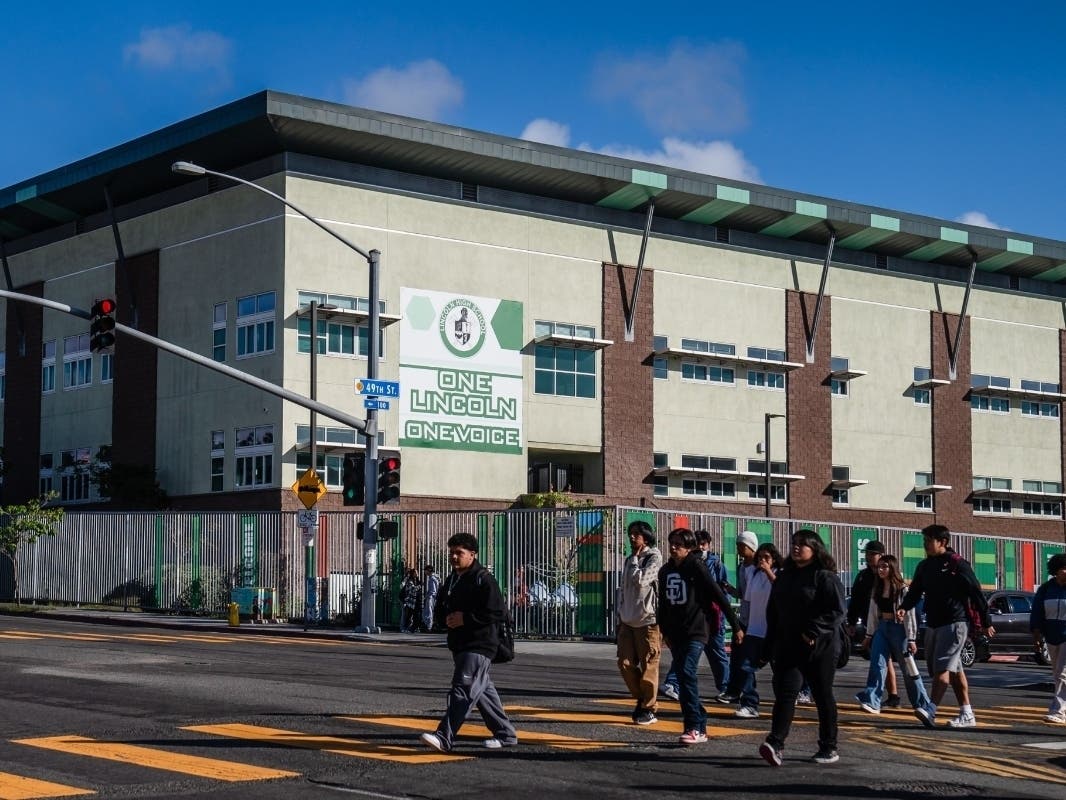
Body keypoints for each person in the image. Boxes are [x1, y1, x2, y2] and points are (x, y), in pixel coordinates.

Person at [421, 533, 517, 752]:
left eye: (459, 553)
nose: (454, 557)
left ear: (472, 555)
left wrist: (465, 618)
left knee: (463, 689)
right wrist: (443, 619)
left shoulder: (483, 579)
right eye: (452, 552)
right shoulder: (453, 578)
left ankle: (444, 737)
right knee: (483, 691)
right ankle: (506, 735)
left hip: (480, 644)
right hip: (461, 644)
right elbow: (443, 605)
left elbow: (497, 612)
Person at [759, 528, 846, 767]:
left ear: (815, 548)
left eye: (802, 544)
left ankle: (828, 746)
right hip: (789, 645)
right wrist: (768, 647)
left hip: (821, 647)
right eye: (794, 543)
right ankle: (775, 743)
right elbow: (774, 613)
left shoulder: (824, 577)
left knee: (822, 694)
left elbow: (837, 611)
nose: (796, 547)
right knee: (787, 692)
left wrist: (813, 631)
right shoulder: (785, 576)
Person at [898, 524, 994, 729]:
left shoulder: (957, 564)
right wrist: (904, 608)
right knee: (952, 669)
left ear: (942, 542)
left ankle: (931, 709)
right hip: (933, 624)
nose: (925, 544)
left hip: (955, 623)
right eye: (924, 541)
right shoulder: (924, 567)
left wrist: (986, 621)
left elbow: (976, 592)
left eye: (928, 540)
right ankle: (967, 713)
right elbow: (914, 592)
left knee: (943, 666)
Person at [658, 527, 742, 746]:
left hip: (697, 630)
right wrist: (663, 630)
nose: (674, 547)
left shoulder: (696, 566)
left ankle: (694, 726)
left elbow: (718, 595)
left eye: (679, 544)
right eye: (672, 542)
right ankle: (699, 720)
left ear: (689, 548)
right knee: (685, 679)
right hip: (675, 633)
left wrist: (736, 625)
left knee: (686, 673)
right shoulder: (665, 571)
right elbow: (663, 604)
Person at [855, 554, 932, 715]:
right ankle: (872, 700)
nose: (881, 570)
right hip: (882, 628)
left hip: (900, 630)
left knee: (908, 668)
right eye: (879, 567)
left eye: (884, 567)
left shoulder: (903, 589)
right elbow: (872, 613)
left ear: (892, 568)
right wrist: (869, 636)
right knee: (878, 664)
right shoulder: (877, 588)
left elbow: (910, 615)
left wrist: (911, 639)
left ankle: (922, 703)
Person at [660, 530, 730, 701]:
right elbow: (664, 602)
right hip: (685, 623)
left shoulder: (713, 564)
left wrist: (730, 622)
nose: (701, 547)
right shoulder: (673, 568)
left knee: (714, 654)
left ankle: (726, 687)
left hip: (707, 618)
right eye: (698, 544)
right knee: (684, 663)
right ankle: (673, 684)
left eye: (704, 544)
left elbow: (721, 592)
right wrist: (665, 629)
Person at [616, 520, 664, 725]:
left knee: (649, 665)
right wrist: (619, 613)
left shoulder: (654, 557)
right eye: (630, 534)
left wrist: (636, 561)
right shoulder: (629, 559)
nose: (632, 537)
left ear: (646, 536)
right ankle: (641, 697)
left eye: (636, 534)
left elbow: (642, 581)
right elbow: (624, 588)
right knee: (624, 663)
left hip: (648, 621)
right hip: (627, 619)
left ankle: (649, 707)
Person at [729, 542, 783, 719]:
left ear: (774, 559)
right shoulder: (752, 573)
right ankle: (750, 703)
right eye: (760, 557)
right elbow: (748, 599)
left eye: (766, 557)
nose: (762, 561)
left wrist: (768, 570)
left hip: (773, 631)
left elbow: (781, 591)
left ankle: (785, 704)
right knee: (746, 667)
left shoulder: (779, 574)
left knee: (780, 671)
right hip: (754, 629)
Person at [848, 540, 899, 707]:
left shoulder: (887, 575)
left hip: (887, 623)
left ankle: (885, 695)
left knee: (885, 660)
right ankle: (890, 696)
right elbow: (855, 600)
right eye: (867, 553)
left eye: (873, 554)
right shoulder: (863, 576)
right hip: (870, 624)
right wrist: (852, 622)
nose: (869, 557)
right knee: (882, 660)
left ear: (881, 555)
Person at [1030, 552, 1066, 724]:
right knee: (1056, 673)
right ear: (1056, 571)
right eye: (1063, 568)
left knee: (1063, 674)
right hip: (1051, 636)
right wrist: (1036, 634)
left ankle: (1058, 711)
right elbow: (1037, 613)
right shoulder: (1046, 589)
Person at [400, 568, 422, 633]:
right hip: (409, 601)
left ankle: (413, 627)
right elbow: (413, 589)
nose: (417, 574)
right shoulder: (410, 581)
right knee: (408, 615)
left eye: (417, 572)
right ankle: (404, 628)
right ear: (413, 574)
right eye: (416, 572)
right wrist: (420, 586)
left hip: (414, 601)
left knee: (413, 615)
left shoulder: (416, 580)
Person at [421, 564, 440, 633]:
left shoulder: (432, 578)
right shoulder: (435, 577)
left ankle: (429, 627)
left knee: (429, 612)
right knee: (429, 612)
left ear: (429, 570)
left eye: (425, 570)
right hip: (432, 597)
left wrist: (428, 597)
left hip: (431, 598)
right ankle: (430, 626)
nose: (425, 572)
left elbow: (433, 591)